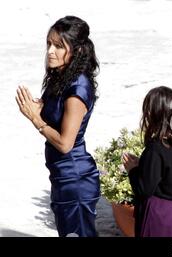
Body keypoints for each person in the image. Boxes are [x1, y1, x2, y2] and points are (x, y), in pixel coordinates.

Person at [15, 16, 100, 237]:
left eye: (59, 46)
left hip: (75, 180)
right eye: (49, 44)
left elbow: (65, 144)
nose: (50, 51)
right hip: (63, 178)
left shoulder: (77, 89)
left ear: (78, 51)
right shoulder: (62, 77)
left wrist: (36, 120)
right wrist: (38, 108)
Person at [122, 86, 172, 237]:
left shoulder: (156, 148)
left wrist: (132, 169)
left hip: (157, 214)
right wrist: (143, 164)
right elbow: (166, 173)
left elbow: (143, 189)